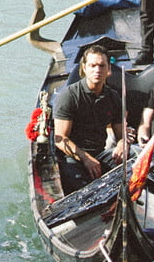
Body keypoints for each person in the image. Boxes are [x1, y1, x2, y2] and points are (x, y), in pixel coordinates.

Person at [53, 46, 131, 190]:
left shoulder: (113, 97)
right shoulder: (69, 96)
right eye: (92, 65)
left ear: (108, 69)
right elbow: (60, 138)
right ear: (84, 68)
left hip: (100, 155)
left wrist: (122, 143)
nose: (97, 70)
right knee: (76, 185)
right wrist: (85, 158)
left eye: (102, 66)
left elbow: (121, 134)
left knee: (136, 156)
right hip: (73, 157)